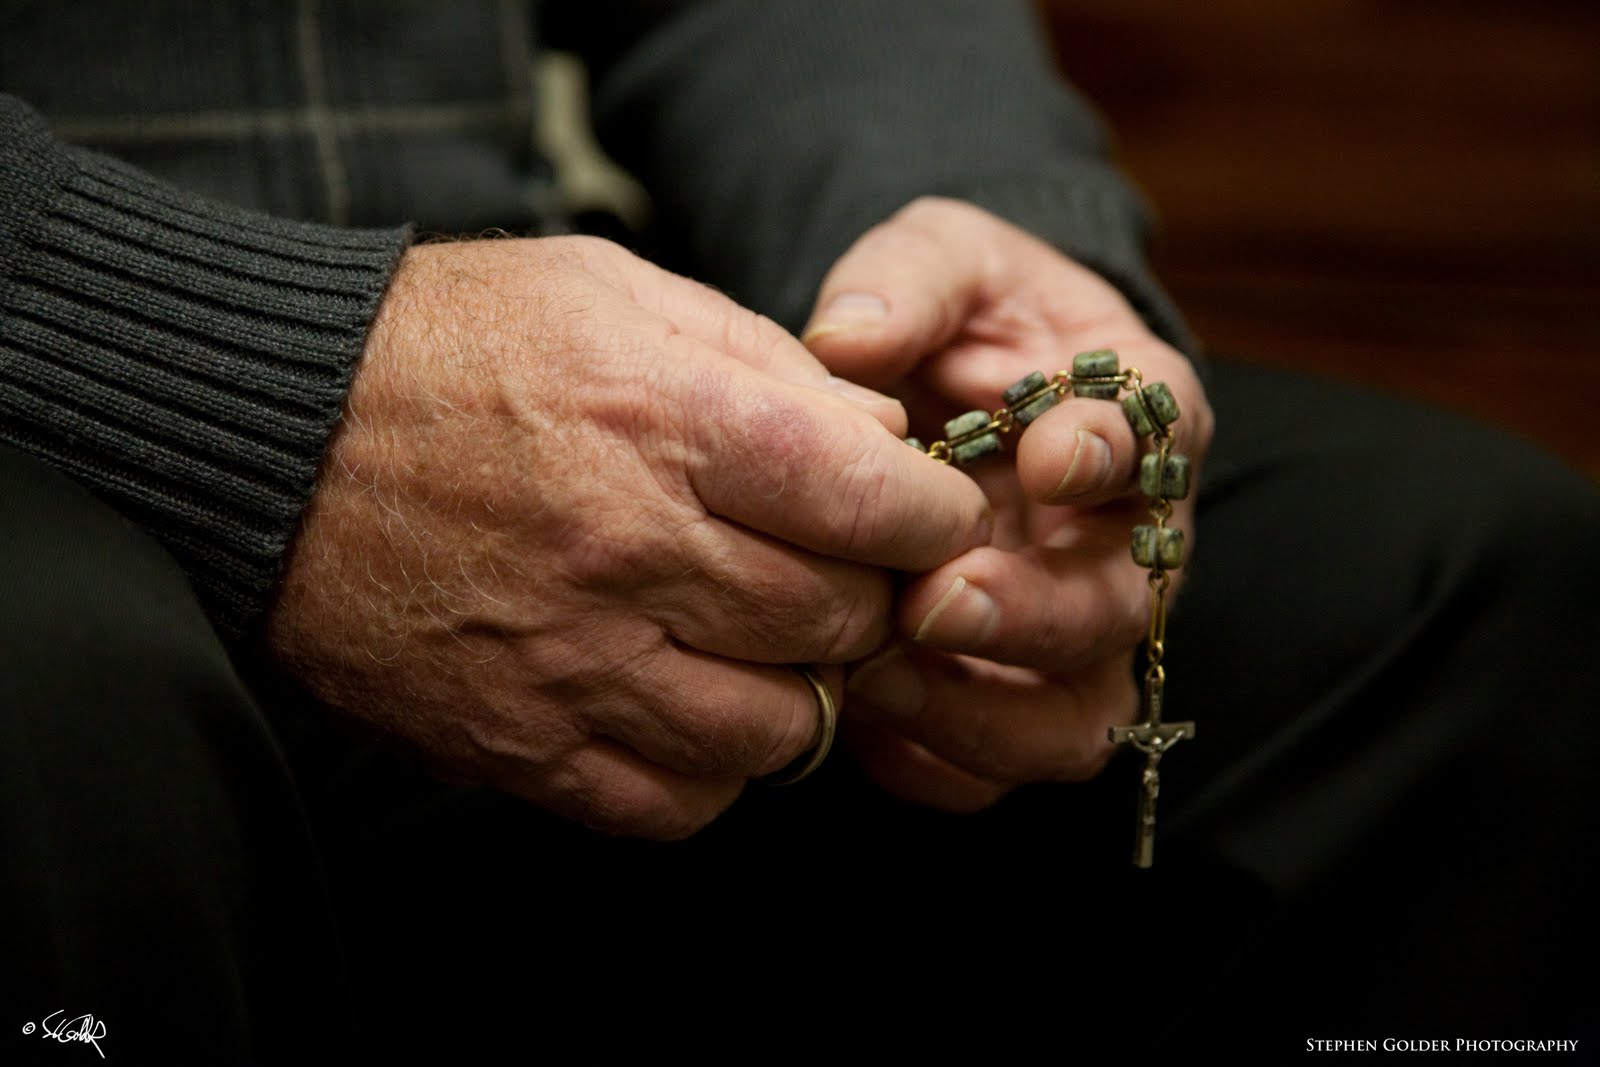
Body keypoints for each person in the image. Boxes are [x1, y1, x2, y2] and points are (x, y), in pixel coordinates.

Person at [2, 1, 1594, 1059]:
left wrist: (952, 218)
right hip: (45, 406)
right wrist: (253, 380)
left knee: (1445, 586)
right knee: (57, 700)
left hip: (589, 383)